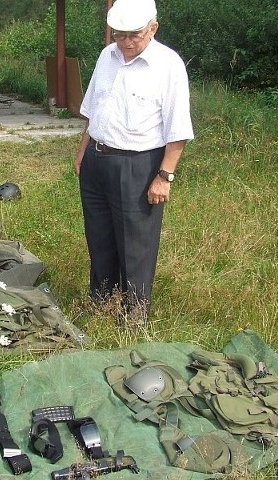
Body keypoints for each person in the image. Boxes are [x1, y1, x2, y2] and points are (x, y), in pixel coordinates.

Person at [74, 0, 194, 321]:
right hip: (97, 160)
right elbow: (94, 107)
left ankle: (134, 314)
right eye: (120, 35)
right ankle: (101, 301)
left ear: (153, 28)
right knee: (99, 235)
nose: (126, 43)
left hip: (138, 165)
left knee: (135, 243)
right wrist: (84, 148)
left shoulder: (168, 65)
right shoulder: (106, 56)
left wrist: (164, 175)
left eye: (135, 35)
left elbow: (178, 128)